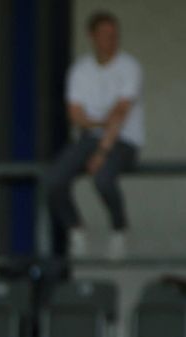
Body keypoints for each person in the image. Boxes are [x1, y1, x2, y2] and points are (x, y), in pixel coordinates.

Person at [46, 10, 144, 261]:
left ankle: (119, 229)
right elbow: (75, 115)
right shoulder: (80, 70)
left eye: (114, 35)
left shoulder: (129, 67)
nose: (110, 40)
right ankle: (75, 228)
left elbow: (120, 114)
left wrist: (102, 149)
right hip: (89, 138)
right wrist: (99, 124)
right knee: (53, 179)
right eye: (105, 35)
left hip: (124, 141)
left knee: (103, 178)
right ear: (92, 36)